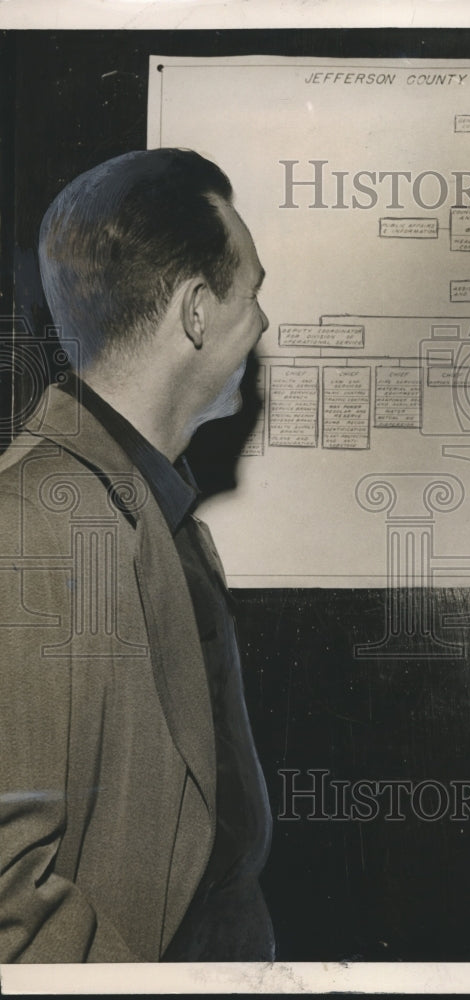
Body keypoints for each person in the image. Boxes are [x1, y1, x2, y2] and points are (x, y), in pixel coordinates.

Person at [0, 149, 273, 961]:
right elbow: (12, 897)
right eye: (253, 292)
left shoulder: (150, 496)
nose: (261, 322)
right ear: (196, 312)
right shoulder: (32, 526)